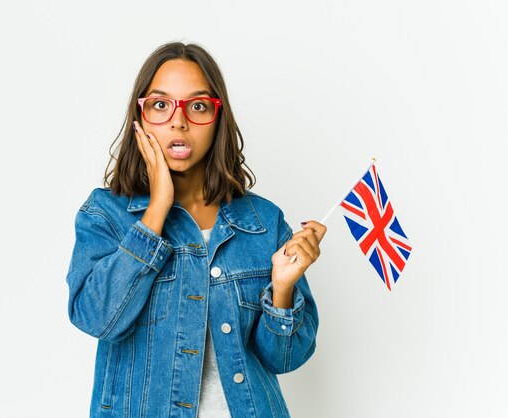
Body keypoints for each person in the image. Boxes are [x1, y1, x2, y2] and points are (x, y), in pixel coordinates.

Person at [65, 41, 327, 418]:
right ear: (139, 116)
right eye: (160, 104)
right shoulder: (106, 214)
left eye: (198, 106)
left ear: (218, 118)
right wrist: (156, 210)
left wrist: (283, 288)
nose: (179, 121)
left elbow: (286, 358)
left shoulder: (263, 221)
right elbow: (96, 318)